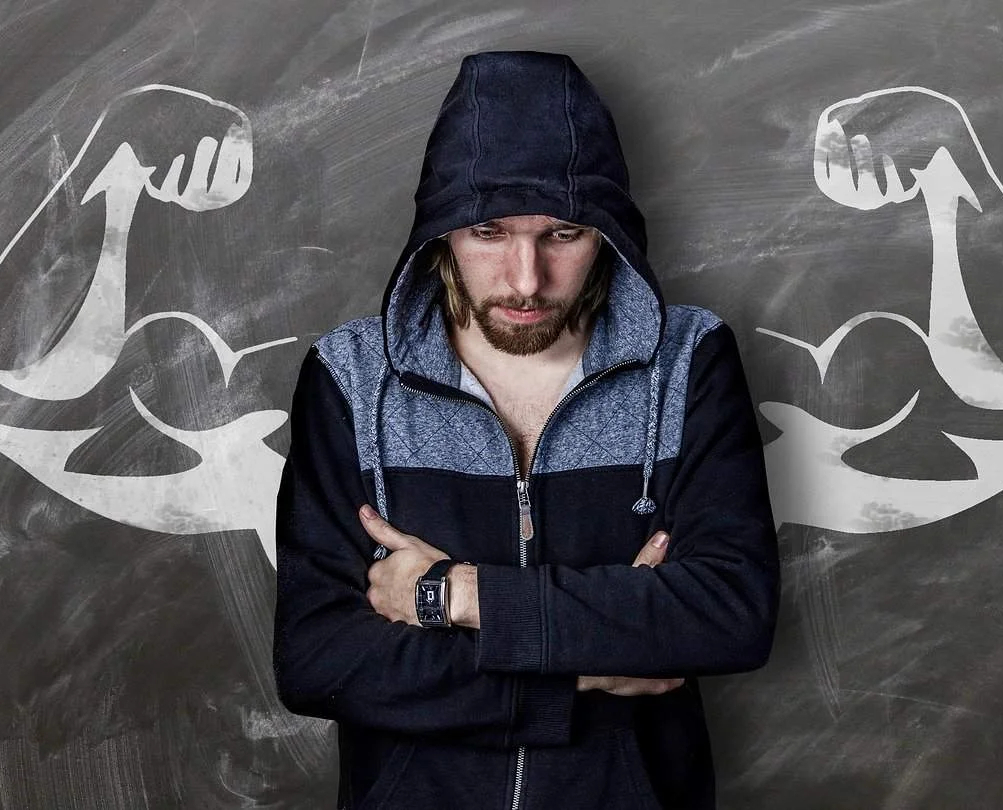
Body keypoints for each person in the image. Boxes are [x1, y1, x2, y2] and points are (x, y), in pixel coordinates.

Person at [273, 50, 780, 810]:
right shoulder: (351, 376)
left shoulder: (689, 362)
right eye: (487, 231)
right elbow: (319, 661)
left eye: (563, 235)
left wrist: (459, 598)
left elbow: (728, 615)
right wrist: (579, 674)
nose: (525, 279)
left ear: (606, 234)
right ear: (441, 233)